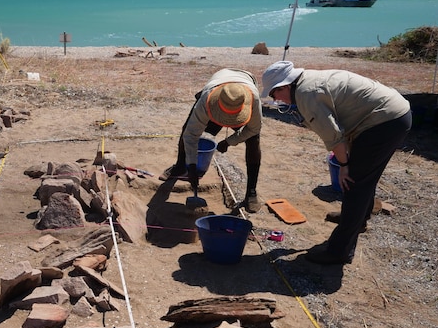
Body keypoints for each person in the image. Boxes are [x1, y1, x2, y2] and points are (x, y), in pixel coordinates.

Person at [262, 61, 412, 265]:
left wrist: (344, 165)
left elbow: (334, 137)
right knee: (364, 177)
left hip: (384, 121)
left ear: (284, 86)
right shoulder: (308, 80)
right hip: (390, 113)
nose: (275, 99)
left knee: (354, 182)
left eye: (274, 94)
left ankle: (339, 251)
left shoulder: (306, 95)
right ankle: (358, 220)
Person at [160, 68, 263, 211]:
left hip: (244, 83)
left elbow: (254, 129)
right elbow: (191, 135)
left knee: (253, 141)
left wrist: (229, 141)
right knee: (186, 129)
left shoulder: (253, 99)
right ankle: (180, 166)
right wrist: (191, 166)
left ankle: (251, 192)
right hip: (217, 85)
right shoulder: (206, 99)